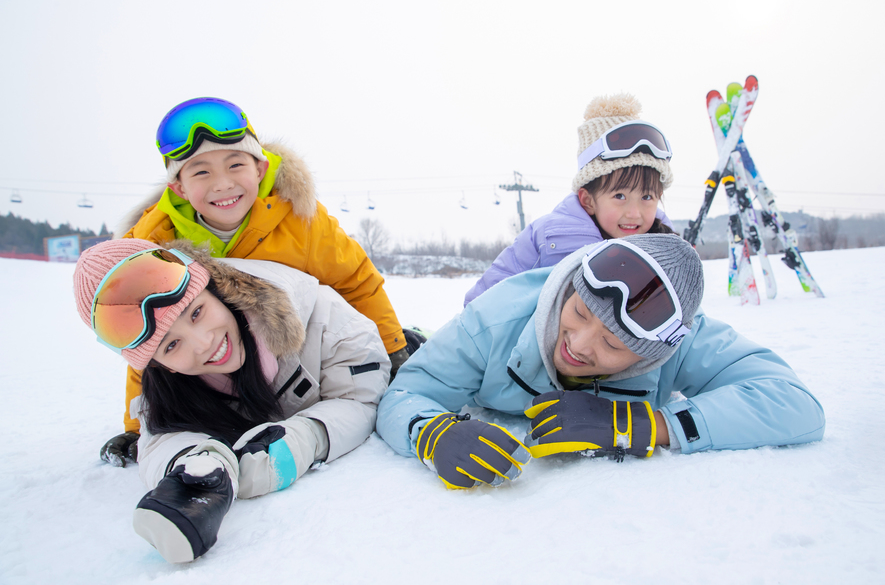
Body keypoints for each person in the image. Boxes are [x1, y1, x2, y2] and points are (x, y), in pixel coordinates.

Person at [102, 97, 419, 468]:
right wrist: (137, 425)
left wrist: (393, 346)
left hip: (301, 354)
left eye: (236, 165)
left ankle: (409, 338)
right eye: (200, 172)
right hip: (223, 367)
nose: (223, 184)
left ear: (260, 168)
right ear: (179, 188)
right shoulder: (156, 245)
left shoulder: (301, 221)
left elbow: (357, 281)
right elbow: (148, 336)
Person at [377, 234, 825, 489]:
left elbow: (794, 405)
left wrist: (648, 426)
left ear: (654, 353)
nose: (579, 345)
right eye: (578, 313)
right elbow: (406, 392)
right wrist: (432, 435)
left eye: (612, 345)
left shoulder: (681, 338)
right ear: (571, 288)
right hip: (459, 346)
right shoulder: (492, 321)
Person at [74, 238, 390, 562]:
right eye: (171, 346)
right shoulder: (168, 388)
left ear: (214, 288)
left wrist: (299, 441)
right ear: (159, 365)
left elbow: (360, 398)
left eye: (196, 312)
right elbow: (160, 439)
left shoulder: (323, 316)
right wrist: (199, 472)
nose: (204, 343)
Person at [464, 93, 676, 306]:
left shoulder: (666, 250)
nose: (634, 212)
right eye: (619, 196)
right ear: (588, 200)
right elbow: (484, 302)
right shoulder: (546, 239)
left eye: (647, 196)